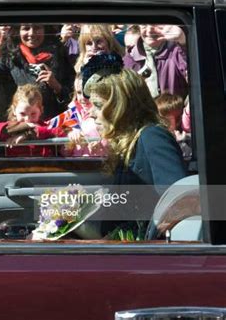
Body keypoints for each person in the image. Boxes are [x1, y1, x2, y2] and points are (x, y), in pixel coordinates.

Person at [81, 54, 187, 237]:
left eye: (98, 105)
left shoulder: (151, 136)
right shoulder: (128, 142)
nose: (91, 113)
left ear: (120, 106)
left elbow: (179, 198)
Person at [0, 24, 75, 120]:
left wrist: (56, 86)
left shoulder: (59, 53)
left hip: (51, 124)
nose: (31, 33)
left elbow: (73, 96)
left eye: (37, 28)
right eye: (26, 28)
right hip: (18, 124)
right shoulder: (7, 56)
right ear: (17, 31)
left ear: (45, 29)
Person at [0, 84, 63, 157]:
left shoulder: (45, 125)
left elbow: (61, 132)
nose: (27, 119)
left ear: (41, 110)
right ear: (14, 110)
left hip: (45, 168)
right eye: (22, 114)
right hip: (17, 168)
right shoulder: (10, 126)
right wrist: (23, 127)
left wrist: (31, 132)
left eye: (33, 114)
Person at [123, 24, 188, 98]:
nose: (149, 31)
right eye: (144, 25)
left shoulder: (177, 51)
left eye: (155, 24)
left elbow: (193, 71)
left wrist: (182, 39)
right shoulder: (130, 58)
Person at [155, 93, 192, 157]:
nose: (160, 123)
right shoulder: (156, 139)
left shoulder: (184, 139)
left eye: (164, 120)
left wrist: (181, 142)